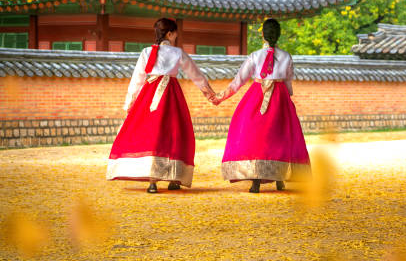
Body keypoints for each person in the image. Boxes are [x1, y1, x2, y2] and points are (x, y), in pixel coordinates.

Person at [107, 18, 216, 193]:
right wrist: (209, 93)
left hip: (149, 95)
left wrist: (130, 102)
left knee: (151, 133)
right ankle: (174, 178)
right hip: (171, 95)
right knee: (174, 133)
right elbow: (195, 74)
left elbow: (137, 79)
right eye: (176, 32)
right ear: (170, 34)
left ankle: (153, 181)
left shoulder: (146, 52)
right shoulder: (177, 53)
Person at [212, 18, 310, 193]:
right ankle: (280, 178)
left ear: (263, 35)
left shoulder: (255, 56)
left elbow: (239, 80)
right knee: (280, 137)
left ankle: (256, 180)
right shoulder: (286, 56)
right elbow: (288, 82)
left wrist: (220, 97)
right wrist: (288, 98)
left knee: (255, 136)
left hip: (257, 96)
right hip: (280, 98)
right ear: (279, 35)